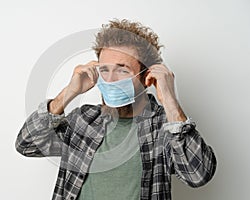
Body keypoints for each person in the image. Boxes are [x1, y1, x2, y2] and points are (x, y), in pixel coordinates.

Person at [15, 19, 217, 200]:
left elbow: (198, 175)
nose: (110, 80)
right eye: (104, 69)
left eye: (122, 70)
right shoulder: (84, 121)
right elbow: (27, 144)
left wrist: (170, 102)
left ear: (146, 78)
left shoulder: (165, 127)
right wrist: (68, 93)